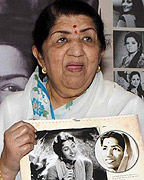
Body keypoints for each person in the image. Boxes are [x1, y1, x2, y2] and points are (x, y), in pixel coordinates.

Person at [0, 0, 144, 179]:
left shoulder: (126, 110)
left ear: (100, 52)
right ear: (40, 56)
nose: (77, 51)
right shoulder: (13, 109)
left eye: (87, 39)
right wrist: (6, 168)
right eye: (62, 39)